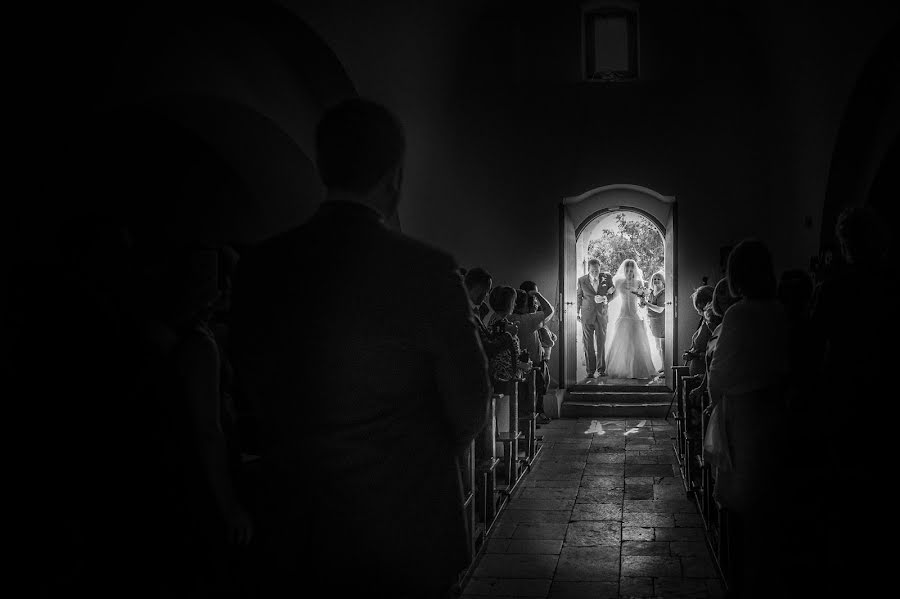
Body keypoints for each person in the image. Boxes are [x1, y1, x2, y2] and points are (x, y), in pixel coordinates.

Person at [230, 98, 490, 598]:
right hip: (405, 522)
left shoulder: (262, 266)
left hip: (298, 521)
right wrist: (418, 454)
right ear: (394, 177)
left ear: (324, 166)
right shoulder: (425, 269)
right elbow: (471, 404)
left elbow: (251, 388)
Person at [706, 239, 789, 597]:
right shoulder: (782, 310)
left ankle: (738, 579)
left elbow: (720, 374)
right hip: (776, 411)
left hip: (743, 415)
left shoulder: (740, 314)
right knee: (769, 501)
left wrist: (712, 404)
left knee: (740, 499)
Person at [605, 259, 656, 379]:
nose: (629, 272)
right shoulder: (619, 282)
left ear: (634, 271)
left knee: (637, 342)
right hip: (623, 315)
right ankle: (623, 368)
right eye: (627, 270)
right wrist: (603, 299)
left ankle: (636, 370)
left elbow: (642, 302)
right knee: (621, 342)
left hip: (634, 315)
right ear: (624, 270)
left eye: (631, 270)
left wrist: (643, 302)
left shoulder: (639, 283)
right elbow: (612, 297)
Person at [510, 287, 554, 423]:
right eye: (532, 301)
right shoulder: (527, 320)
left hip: (519, 364)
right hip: (530, 364)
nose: (534, 304)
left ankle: (529, 422)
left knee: (524, 398)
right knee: (531, 397)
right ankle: (530, 424)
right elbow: (549, 310)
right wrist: (538, 294)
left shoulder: (509, 317)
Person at [577, 258, 616, 378]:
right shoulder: (582, 280)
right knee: (588, 344)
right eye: (593, 271)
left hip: (601, 315)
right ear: (588, 269)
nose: (595, 273)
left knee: (601, 343)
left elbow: (613, 292)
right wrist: (577, 312)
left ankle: (601, 369)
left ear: (600, 268)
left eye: (597, 270)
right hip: (587, 315)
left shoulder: (607, 277)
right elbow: (579, 297)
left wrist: (605, 299)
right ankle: (590, 371)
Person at [682, 285, 714, 376]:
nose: (698, 310)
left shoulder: (712, 324)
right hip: (696, 371)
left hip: (704, 374)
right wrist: (690, 353)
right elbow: (697, 346)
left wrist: (697, 355)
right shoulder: (703, 321)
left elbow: (715, 353)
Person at [642, 270, 666, 372]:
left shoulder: (663, 293)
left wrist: (647, 304)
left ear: (663, 281)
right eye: (654, 279)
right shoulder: (652, 292)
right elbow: (650, 306)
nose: (656, 281)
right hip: (653, 321)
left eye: (658, 279)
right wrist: (643, 304)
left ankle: (666, 369)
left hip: (661, 321)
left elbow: (660, 309)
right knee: (658, 346)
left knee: (663, 347)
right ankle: (662, 366)